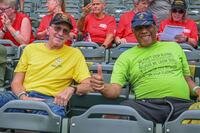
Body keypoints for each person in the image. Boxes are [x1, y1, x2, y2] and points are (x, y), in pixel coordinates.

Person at [90, 11, 200, 124]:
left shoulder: (174, 47)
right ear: (133, 31)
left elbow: (187, 79)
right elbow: (115, 90)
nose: (144, 31)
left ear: (155, 27)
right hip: (146, 106)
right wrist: (103, 88)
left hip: (182, 105)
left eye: (147, 26)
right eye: (139, 28)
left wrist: (198, 90)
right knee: (113, 117)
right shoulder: (126, 56)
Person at [0, 13, 92, 117]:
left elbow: (88, 85)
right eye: (57, 28)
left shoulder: (75, 54)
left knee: (55, 115)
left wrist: (72, 88)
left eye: (65, 31)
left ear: (68, 36)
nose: (61, 33)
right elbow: (16, 82)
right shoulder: (30, 49)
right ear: (48, 30)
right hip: (22, 95)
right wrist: (24, 98)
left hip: (49, 100)